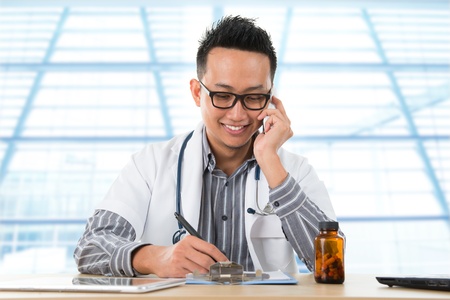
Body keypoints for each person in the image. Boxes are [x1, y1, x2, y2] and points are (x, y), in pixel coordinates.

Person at [74, 15, 341, 278]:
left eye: (254, 97)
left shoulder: (294, 171)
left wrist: (269, 161)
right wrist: (156, 257)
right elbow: (91, 247)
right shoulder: (150, 164)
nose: (238, 114)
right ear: (196, 92)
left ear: (270, 99)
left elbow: (330, 264)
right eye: (223, 95)